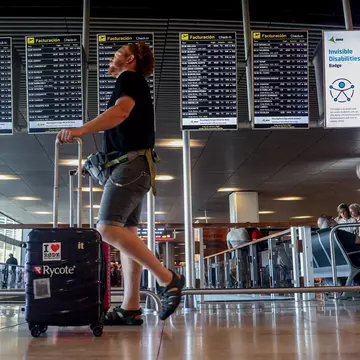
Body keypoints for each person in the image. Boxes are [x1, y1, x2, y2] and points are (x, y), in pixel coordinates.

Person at [56, 42, 185, 325]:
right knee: (126, 234)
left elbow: (121, 112)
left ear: (130, 58)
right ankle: (130, 307)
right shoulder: (136, 83)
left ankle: (168, 278)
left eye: (116, 54)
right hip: (134, 166)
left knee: (106, 228)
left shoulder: (130, 78)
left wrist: (80, 129)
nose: (110, 60)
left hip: (131, 166)